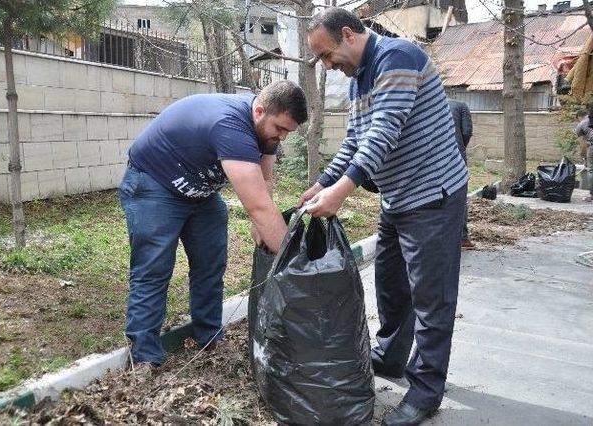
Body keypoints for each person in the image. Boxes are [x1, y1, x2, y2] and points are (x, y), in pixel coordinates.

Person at [301, 8, 468, 426]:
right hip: (397, 197)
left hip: (433, 197)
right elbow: (356, 138)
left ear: (348, 35)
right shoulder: (359, 78)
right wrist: (323, 182)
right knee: (391, 285)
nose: (327, 65)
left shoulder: (397, 57)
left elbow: (385, 130)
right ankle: (391, 357)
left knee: (432, 298)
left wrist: (342, 190)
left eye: (326, 55)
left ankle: (426, 390)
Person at [119, 81, 308, 367]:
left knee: (211, 263)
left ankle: (208, 336)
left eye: (288, 132)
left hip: (199, 193)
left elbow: (264, 183)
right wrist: (294, 263)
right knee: (154, 269)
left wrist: (262, 225)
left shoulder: (265, 129)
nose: (282, 137)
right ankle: (144, 357)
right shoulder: (230, 126)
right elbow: (256, 206)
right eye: (280, 129)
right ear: (259, 111)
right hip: (153, 185)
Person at [448, 99, 475, 249]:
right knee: (458, 195)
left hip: (429, 158)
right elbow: (466, 132)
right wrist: (460, 148)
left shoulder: (423, 104)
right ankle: (463, 238)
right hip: (456, 156)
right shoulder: (461, 106)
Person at [574, 108, 593, 201]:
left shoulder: (581, 124)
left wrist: (584, 157)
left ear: (579, 117)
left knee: (591, 170)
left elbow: (583, 144)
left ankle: (592, 195)